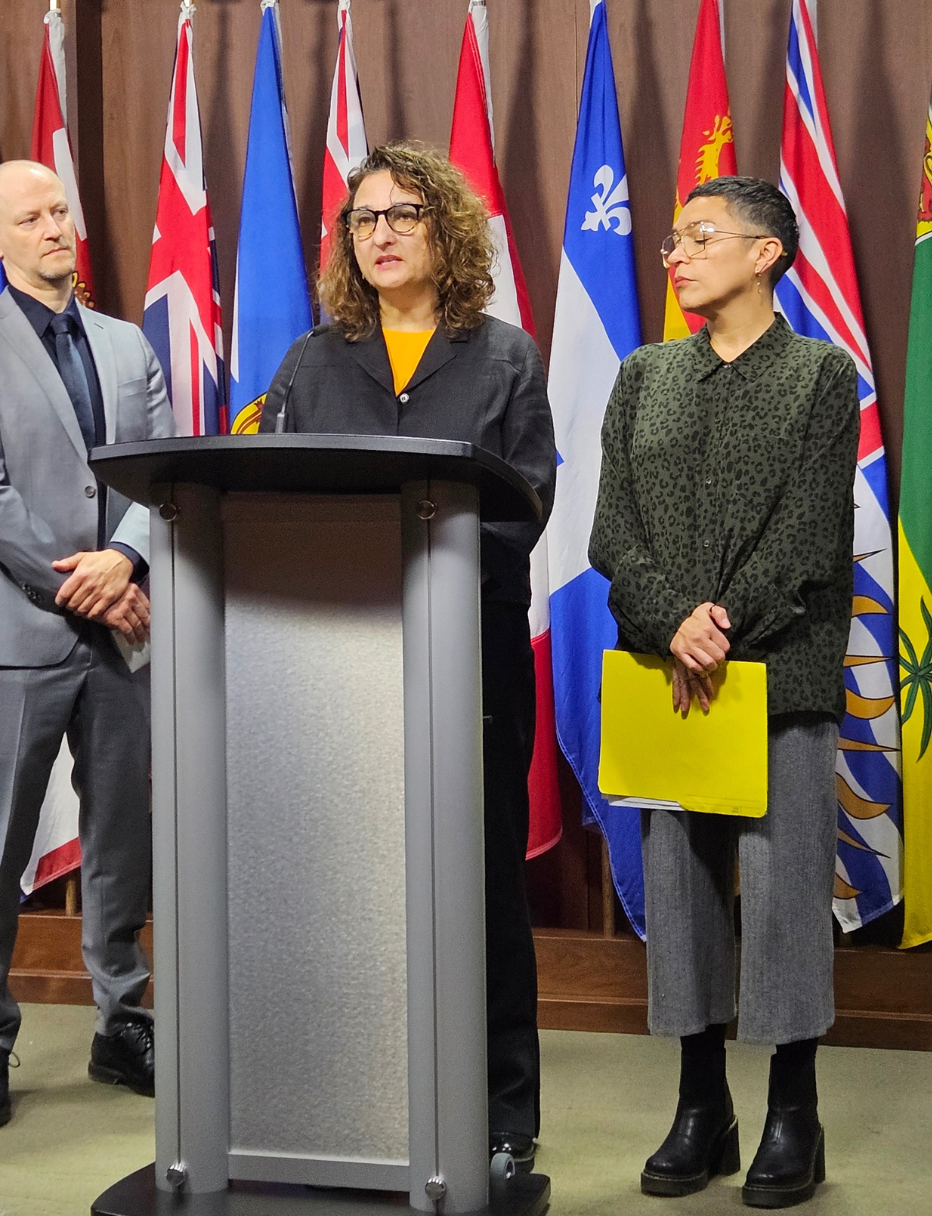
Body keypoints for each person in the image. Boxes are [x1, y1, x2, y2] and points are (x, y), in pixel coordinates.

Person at [259, 143, 556, 1171]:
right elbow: (270, 501)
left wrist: (418, 565)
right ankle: (356, 1102)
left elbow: (526, 505)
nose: (380, 234)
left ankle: (503, 1117)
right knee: (347, 884)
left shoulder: (504, 356)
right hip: (337, 661)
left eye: (404, 215)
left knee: (482, 885)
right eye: (364, 219)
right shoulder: (310, 362)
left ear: (448, 231)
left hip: (467, 659)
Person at [589, 176, 858, 1209]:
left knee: (784, 893)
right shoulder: (643, 375)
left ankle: (795, 1109)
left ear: (766, 253)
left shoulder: (820, 375)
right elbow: (612, 532)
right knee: (683, 890)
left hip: (777, 671)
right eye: (671, 239)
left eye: (700, 237)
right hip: (668, 675)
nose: (677, 254)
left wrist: (725, 623)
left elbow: (811, 535)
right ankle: (702, 1103)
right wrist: (673, 622)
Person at [0, 160, 177, 1130]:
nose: (55, 227)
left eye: (60, 209)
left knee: (122, 838)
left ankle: (122, 1022)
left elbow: (162, 472)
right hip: (19, 628)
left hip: (124, 627)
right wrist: (90, 587)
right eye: (30, 218)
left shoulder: (125, 344)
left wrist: (126, 559)